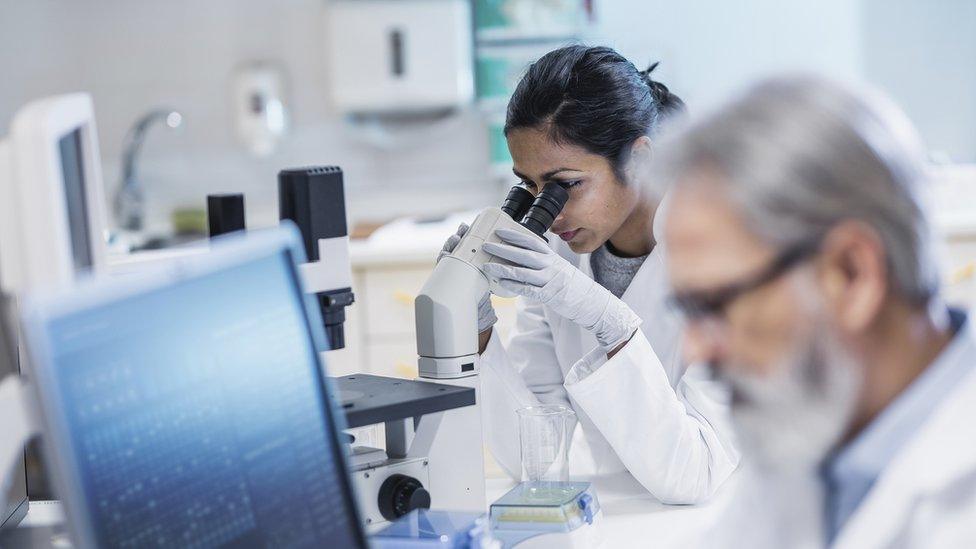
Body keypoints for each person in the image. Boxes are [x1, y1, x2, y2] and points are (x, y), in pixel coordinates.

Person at [661, 75, 976, 547]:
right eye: (687, 308)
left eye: (716, 305)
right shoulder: (817, 421)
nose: (693, 347)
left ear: (851, 274)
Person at [441, 45, 739, 503]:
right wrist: (477, 329)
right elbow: (537, 459)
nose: (551, 211)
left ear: (639, 158)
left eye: (567, 185)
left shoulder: (731, 251)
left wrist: (608, 320)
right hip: (637, 517)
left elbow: (695, 474)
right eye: (529, 186)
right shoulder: (558, 252)